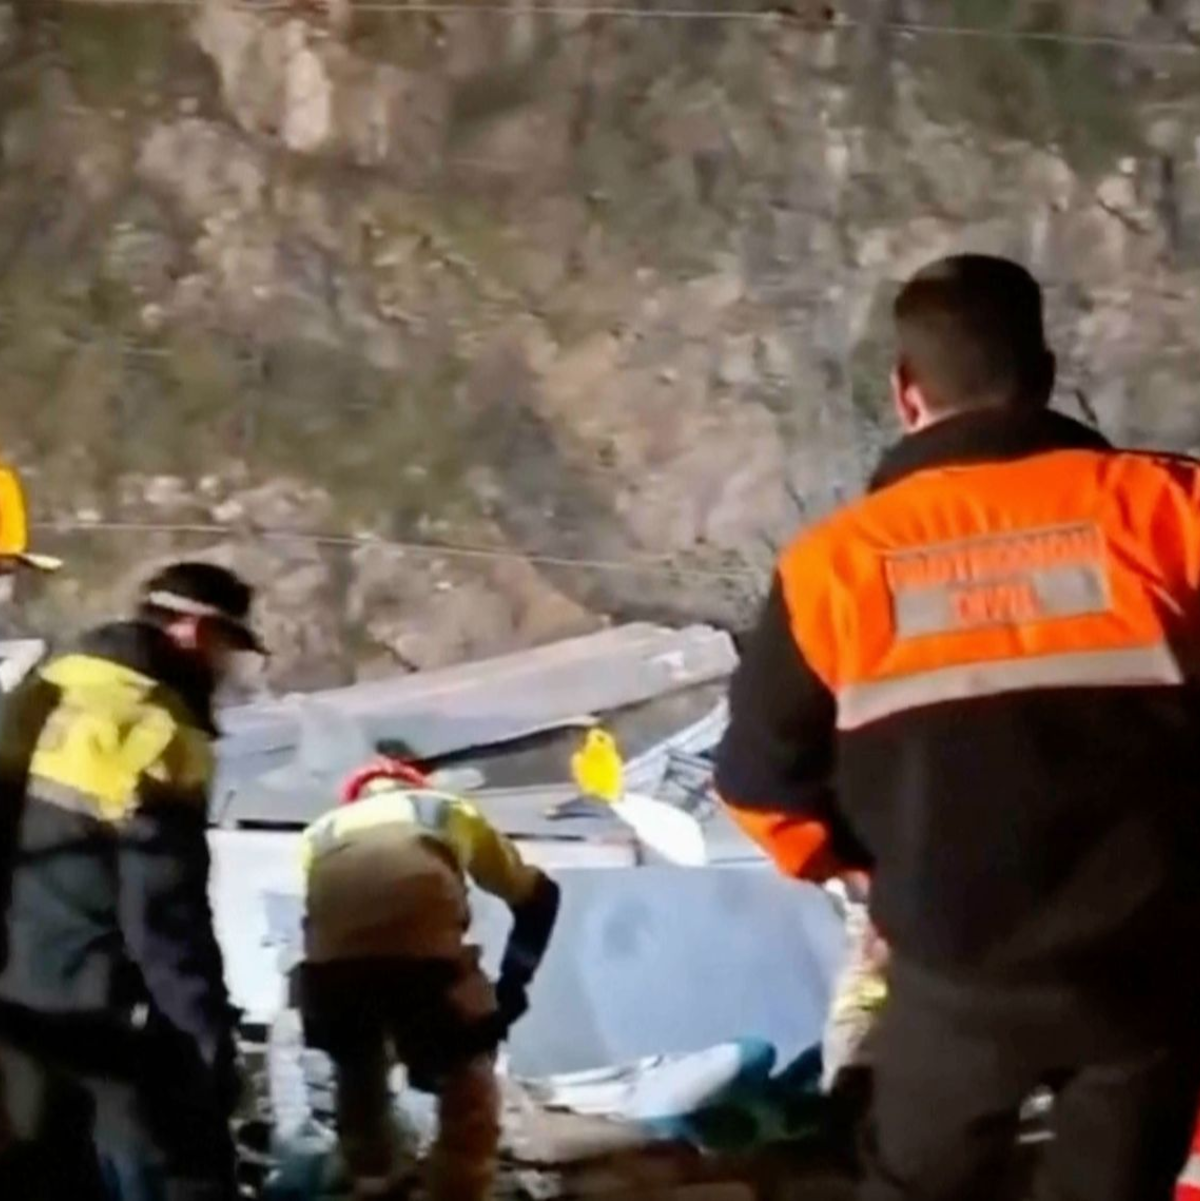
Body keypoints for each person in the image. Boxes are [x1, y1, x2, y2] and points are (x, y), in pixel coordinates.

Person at [714, 254, 1200, 1201]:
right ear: (1047, 373)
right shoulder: (1172, 509)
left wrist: (870, 863)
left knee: (913, 1178)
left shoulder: (833, 568)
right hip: (1147, 962)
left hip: (954, 964)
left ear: (906, 393)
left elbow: (759, 788)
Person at [0, 560, 265, 1200]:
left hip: (16, 1007)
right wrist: (208, 1043)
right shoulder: (155, 728)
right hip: (108, 1014)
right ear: (196, 633)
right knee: (184, 1173)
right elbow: (165, 918)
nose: (228, 674)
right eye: (230, 653)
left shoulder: (39, 693)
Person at [297, 754, 562, 1201]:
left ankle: (370, 1179)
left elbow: (329, 914)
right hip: (426, 968)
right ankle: (458, 1187)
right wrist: (513, 987)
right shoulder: (441, 807)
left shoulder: (318, 834)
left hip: (329, 975)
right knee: (467, 1084)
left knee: (358, 1072)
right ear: (410, 783)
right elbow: (533, 894)